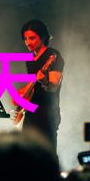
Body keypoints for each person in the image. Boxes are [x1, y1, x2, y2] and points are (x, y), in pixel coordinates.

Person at [17, 19, 64, 151]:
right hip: (31, 112)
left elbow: (53, 87)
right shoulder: (30, 59)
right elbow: (32, 87)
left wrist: (44, 81)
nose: (28, 42)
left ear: (43, 37)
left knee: (46, 152)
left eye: (32, 38)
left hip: (47, 112)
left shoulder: (53, 55)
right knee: (27, 153)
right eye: (25, 39)